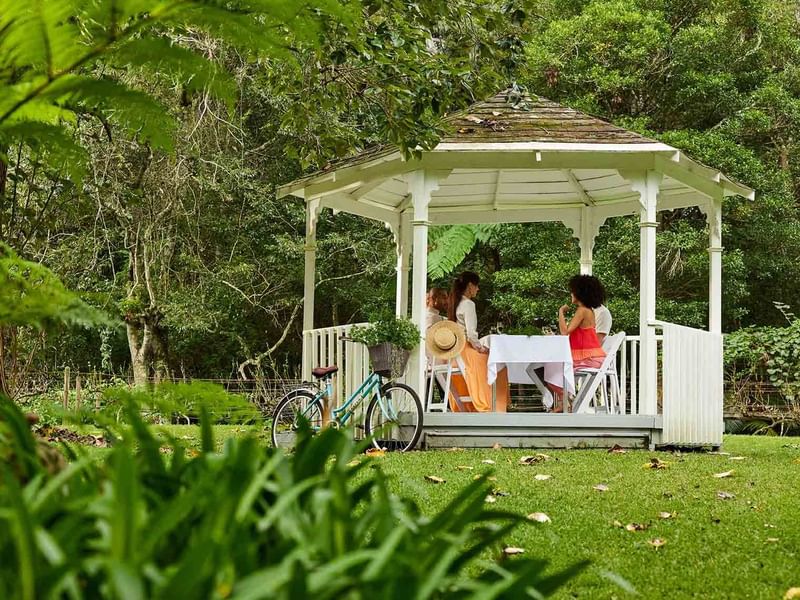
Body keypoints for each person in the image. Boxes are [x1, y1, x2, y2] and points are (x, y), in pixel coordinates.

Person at [447, 271, 509, 412]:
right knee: (498, 361)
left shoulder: (455, 303)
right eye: (476, 286)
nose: (478, 289)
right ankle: (494, 404)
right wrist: (480, 348)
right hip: (466, 350)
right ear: (470, 286)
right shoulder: (468, 304)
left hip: (456, 351)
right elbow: (471, 334)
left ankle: (478, 403)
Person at [548, 274, 607, 412]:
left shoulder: (582, 311)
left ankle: (564, 400)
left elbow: (564, 332)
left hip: (587, 359)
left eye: (573, 290)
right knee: (553, 366)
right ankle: (565, 400)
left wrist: (560, 312)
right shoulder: (589, 310)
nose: (571, 293)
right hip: (591, 357)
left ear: (580, 293)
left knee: (549, 367)